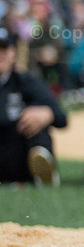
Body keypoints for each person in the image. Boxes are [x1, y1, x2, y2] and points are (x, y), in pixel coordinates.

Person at [0, 25, 67, 186]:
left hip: (19, 152)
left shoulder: (27, 81)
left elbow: (62, 119)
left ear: (13, 53)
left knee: (36, 119)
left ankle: (43, 170)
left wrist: (47, 113)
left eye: (3, 49)